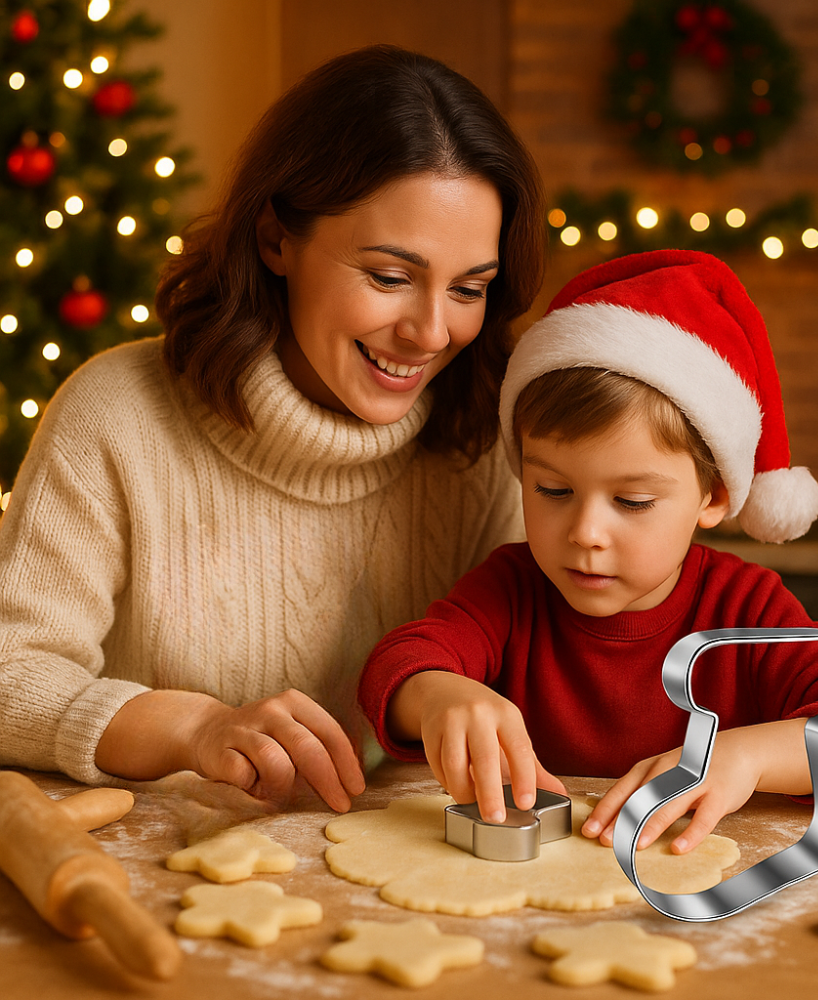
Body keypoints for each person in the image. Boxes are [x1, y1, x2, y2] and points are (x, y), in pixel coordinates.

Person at [0, 46, 546, 812]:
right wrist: (193, 728)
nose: (430, 332)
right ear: (276, 238)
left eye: (468, 288)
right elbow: (9, 675)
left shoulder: (486, 445)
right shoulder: (116, 416)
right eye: (390, 277)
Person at [359, 249, 818, 855]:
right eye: (553, 489)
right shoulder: (511, 589)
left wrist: (749, 756)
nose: (586, 532)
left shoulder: (744, 608)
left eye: (631, 501)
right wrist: (439, 694)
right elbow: (401, 664)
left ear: (713, 495)